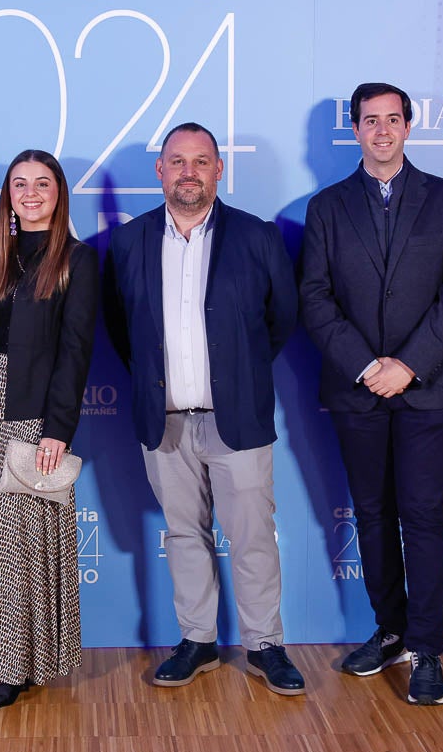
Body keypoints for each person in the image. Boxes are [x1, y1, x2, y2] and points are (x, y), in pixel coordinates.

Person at [105, 123, 303, 697]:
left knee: (253, 537)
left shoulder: (258, 237)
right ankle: (198, 640)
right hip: (163, 419)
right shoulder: (129, 241)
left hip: (236, 417)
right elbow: (124, 327)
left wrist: (238, 372)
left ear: (219, 170)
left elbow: (280, 319)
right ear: (160, 171)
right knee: (183, 534)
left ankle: (265, 643)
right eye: (177, 161)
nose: (188, 171)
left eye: (200, 161)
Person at [300, 82, 443, 706]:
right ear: (354, 130)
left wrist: (408, 364)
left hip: (429, 389)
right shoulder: (325, 207)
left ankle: (426, 648)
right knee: (372, 516)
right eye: (369, 121)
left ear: (409, 127)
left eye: (392, 120)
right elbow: (314, 296)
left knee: (424, 517)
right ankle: (390, 629)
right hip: (357, 391)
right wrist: (364, 365)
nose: (381, 131)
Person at [0, 149, 98, 711]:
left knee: (22, 545)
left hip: (34, 413)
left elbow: (76, 352)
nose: (31, 193)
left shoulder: (77, 261)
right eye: (20, 184)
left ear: (60, 193)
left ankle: (18, 667)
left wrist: (57, 429)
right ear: (8, 195)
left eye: (43, 183)